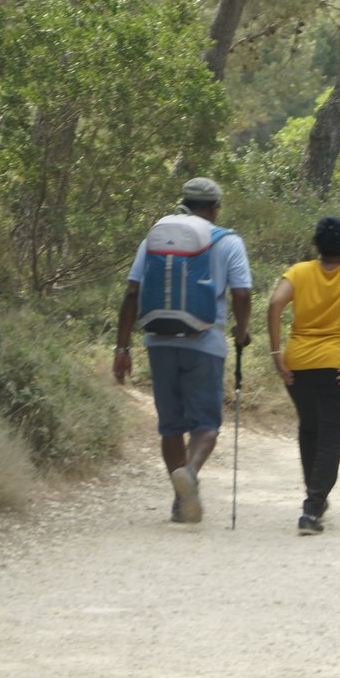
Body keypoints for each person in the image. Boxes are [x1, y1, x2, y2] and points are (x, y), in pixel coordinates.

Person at [114, 177, 253, 524]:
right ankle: (189, 473)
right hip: (205, 343)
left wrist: (122, 347)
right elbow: (242, 294)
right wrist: (242, 330)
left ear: (184, 203)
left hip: (158, 341)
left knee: (171, 425)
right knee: (206, 423)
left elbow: (132, 292)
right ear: (215, 207)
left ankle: (180, 502)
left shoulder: (156, 238)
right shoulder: (228, 241)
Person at [268, 216, 340, 535]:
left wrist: (277, 354)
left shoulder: (298, 272)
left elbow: (276, 303)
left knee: (310, 429)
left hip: (299, 362)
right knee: (330, 435)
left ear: (315, 245)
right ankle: (312, 507)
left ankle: (314, 497)